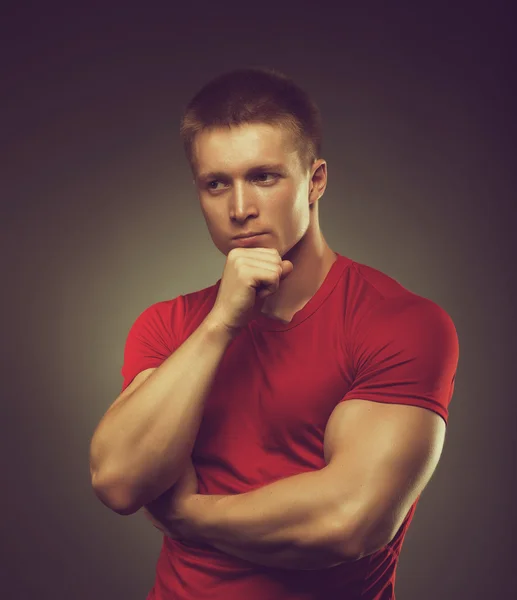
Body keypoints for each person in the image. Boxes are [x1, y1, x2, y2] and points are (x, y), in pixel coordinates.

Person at [89, 67, 460, 600]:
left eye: (264, 176)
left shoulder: (401, 323)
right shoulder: (169, 326)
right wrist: (221, 324)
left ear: (315, 181)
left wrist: (192, 516)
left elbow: (348, 520)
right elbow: (120, 481)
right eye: (217, 184)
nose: (240, 209)